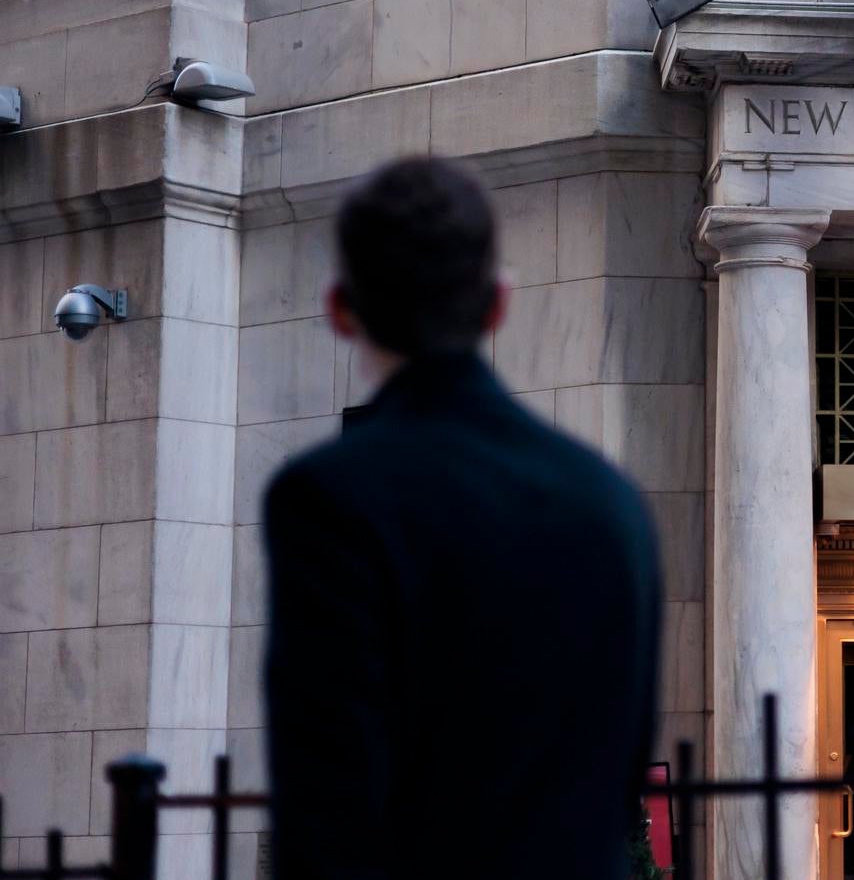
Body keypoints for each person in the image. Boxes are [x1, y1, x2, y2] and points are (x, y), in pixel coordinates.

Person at [263, 156, 662, 880]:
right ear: (498, 305)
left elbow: (327, 798)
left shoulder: (329, 497)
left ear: (339, 308)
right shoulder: (613, 502)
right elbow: (621, 769)